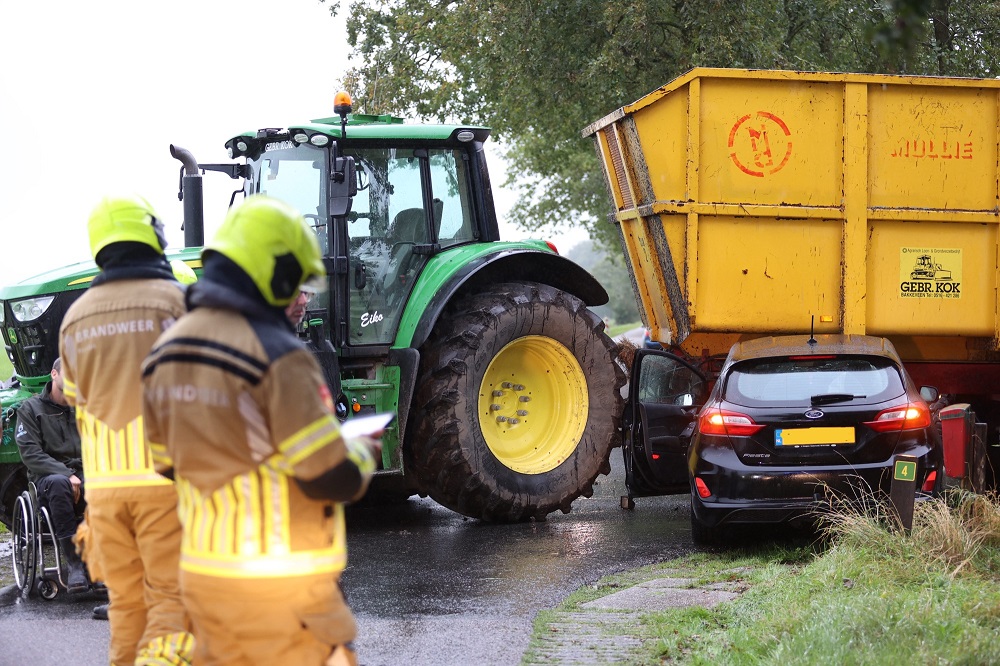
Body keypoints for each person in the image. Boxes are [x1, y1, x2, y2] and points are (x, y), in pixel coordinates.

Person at [141, 194, 381, 666]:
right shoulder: (278, 355)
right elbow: (327, 476)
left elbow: (166, 464)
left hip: (204, 579)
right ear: (275, 272)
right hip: (281, 589)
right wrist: (360, 452)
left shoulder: (164, 352)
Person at [59, 194, 194, 665]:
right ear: (151, 234)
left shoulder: (75, 317)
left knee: (127, 610)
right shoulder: (176, 302)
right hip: (165, 481)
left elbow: (75, 398)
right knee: (172, 606)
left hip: (105, 494)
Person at [14, 357, 89, 593]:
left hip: (85, 474)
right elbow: (31, 455)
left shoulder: (85, 408)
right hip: (47, 480)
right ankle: (74, 564)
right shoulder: (30, 409)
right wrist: (66, 474)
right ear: (54, 374)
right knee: (59, 484)